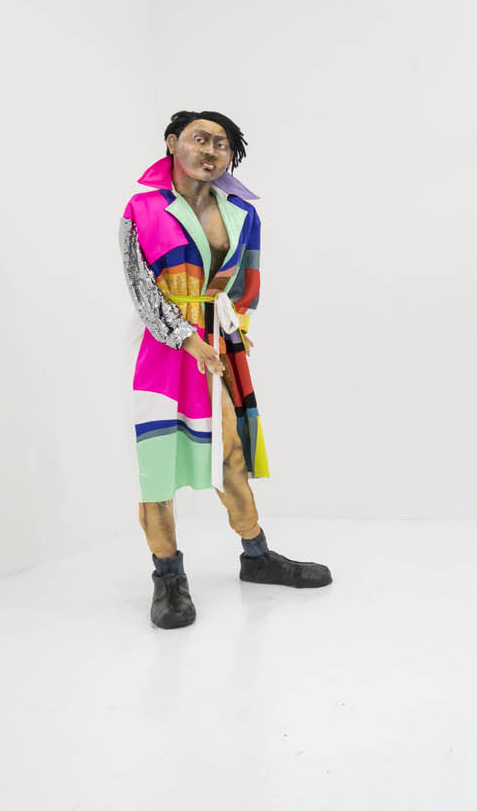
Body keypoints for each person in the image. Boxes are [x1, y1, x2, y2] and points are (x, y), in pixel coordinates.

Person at [120, 110, 330, 630]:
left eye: (222, 144)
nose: (211, 151)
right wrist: (187, 338)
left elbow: (246, 280)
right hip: (165, 351)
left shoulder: (242, 213)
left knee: (231, 453)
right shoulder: (143, 208)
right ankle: (168, 575)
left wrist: (235, 328)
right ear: (173, 142)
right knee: (158, 461)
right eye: (200, 139)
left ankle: (256, 555)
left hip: (220, 345)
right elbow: (142, 288)